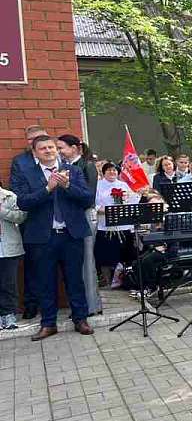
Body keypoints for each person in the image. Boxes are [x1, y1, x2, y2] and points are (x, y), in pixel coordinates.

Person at [11, 135, 95, 340]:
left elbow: (87, 199)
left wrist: (68, 186)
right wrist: (48, 188)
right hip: (42, 237)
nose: (48, 151)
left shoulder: (73, 170)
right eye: (43, 148)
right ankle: (48, 323)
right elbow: (23, 202)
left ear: (56, 150)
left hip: (70, 234)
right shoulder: (26, 173)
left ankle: (80, 319)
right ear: (35, 153)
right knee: (45, 282)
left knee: (75, 279)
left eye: (51, 147)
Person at [57, 134, 102, 317]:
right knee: (76, 262)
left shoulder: (87, 165)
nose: (59, 151)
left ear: (74, 148)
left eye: (62, 148)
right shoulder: (63, 167)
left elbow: (88, 197)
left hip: (85, 216)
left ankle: (91, 305)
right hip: (71, 218)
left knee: (86, 261)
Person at [9, 125, 48, 321]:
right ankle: (31, 305)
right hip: (32, 220)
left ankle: (54, 305)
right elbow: (17, 192)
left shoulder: (55, 159)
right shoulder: (20, 162)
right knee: (32, 265)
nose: (35, 141)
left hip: (56, 221)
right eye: (31, 139)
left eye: (39, 137)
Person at [95, 162, 138, 289]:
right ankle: (108, 282)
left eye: (114, 170)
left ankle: (124, 280)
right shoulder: (98, 186)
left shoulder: (123, 185)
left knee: (125, 255)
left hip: (123, 226)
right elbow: (94, 204)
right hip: (106, 226)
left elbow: (132, 200)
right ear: (104, 172)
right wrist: (104, 210)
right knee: (106, 257)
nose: (112, 172)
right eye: (109, 170)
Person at [0, 178, 27, 330]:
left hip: (8, 247)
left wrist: (2, 212)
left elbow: (22, 216)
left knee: (8, 283)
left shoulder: (9, 196)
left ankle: (9, 314)